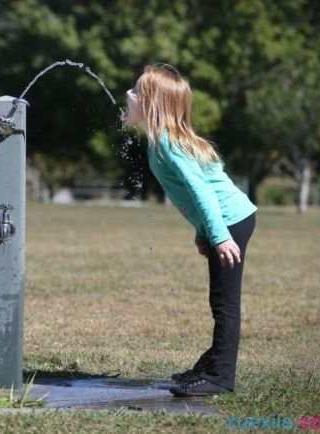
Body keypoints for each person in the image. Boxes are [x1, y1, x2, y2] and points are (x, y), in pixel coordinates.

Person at [123, 64, 257, 397]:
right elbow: (205, 185)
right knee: (220, 301)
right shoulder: (162, 141)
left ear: (152, 104)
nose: (129, 95)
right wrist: (204, 232)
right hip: (225, 222)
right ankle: (208, 367)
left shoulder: (167, 143)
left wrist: (220, 236)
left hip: (230, 222)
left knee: (225, 303)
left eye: (137, 92)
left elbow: (203, 192)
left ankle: (220, 377)